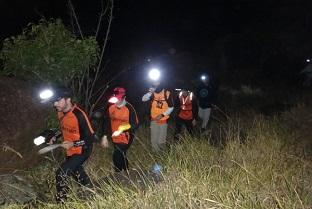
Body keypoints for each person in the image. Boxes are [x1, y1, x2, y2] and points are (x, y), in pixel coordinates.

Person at [46, 86, 95, 203]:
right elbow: (63, 128)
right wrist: (55, 136)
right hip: (70, 151)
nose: (55, 104)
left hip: (82, 150)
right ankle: (90, 191)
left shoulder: (79, 115)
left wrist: (73, 143)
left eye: (57, 100)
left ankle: (62, 202)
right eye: (53, 101)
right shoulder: (60, 112)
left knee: (61, 173)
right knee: (76, 173)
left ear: (68, 100)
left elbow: (90, 138)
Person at [101, 87, 139, 172]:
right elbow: (106, 122)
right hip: (115, 136)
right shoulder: (111, 107)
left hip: (127, 136)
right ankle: (126, 171)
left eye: (118, 99)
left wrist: (121, 129)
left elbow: (135, 125)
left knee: (117, 154)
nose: (116, 101)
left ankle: (118, 175)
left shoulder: (129, 108)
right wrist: (104, 136)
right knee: (122, 154)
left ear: (124, 97)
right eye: (115, 99)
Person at [142, 77, 174, 152]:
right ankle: (155, 157)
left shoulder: (167, 92)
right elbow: (143, 99)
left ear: (161, 82)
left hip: (163, 121)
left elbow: (171, 107)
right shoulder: (152, 93)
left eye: (157, 81)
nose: (155, 83)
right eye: (154, 81)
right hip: (154, 120)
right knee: (154, 141)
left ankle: (164, 155)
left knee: (161, 142)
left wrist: (162, 115)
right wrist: (150, 92)